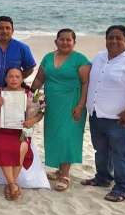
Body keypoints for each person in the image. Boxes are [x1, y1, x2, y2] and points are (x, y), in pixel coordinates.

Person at [81, 25, 125, 202]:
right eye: (110, 37)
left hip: (121, 118)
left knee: (121, 153)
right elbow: (86, 72)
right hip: (97, 114)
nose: (113, 41)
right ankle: (103, 178)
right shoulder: (99, 57)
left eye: (118, 38)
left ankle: (122, 188)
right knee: (101, 150)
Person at [31, 28, 90, 192]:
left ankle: (65, 174)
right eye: (62, 39)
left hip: (72, 103)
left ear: (74, 42)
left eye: (68, 40)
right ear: (56, 41)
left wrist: (80, 105)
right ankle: (59, 170)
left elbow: (86, 83)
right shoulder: (48, 57)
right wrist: (29, 94)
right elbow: (39, 79)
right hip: (52, 104)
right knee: (55, 136)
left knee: (67, 137)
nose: (65, 42)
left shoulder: (80, 59)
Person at [0, 16, 36, 158]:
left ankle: (10, 156)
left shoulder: (22, 48)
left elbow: (30, 67)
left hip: (12, 95)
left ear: (13, 30)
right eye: (1, 28)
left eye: (7, 28)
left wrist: (16, 82)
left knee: (10, 127)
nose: (4, 31)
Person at [0, 68, 44, 200]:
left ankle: (11, 184)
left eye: (17, 77)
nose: (14, 79)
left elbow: (41, 112)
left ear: (22, 79)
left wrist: (32, 120)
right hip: (1, 130)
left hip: (22, 130)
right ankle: (13, 184)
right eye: (11, 76)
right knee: (2, 147)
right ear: (6, 79)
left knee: (22, 146)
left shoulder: (30, 94)